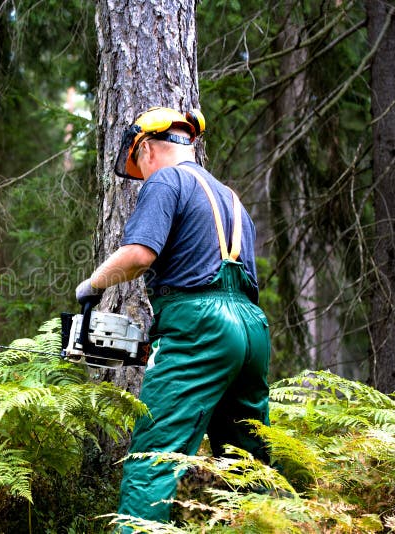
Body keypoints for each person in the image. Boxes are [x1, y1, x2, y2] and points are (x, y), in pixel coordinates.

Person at [75, 106, 271, 523]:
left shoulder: (166, 180)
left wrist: (93, 285)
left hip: (201, 326)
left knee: (155, 455)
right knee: (249, 462)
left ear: (145, 149)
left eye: (138, 168)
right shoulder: (231, 199)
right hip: (253, 330)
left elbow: (139, 255)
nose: (142, 178)